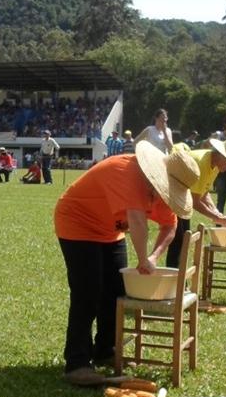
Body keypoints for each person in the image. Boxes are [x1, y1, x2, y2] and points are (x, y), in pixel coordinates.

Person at [55, 141, 200, 384]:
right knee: (88, 292)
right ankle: (77, 363)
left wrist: (153, 257)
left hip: (109, 231)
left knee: (116, 290)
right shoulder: (129, 172)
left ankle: (106, 349)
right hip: (77, 222)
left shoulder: (163, 193)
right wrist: (143, 260)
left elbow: (169, 226)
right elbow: (137, 221)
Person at [166, 133, 226, 267]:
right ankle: (176, 281)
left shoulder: (214, 164)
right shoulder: (202, 163)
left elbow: (204, 192)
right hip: (172, 194)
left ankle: (178, 281)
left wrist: (218, 214)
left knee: (182, 240)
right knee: (179, 241)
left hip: (181, 198)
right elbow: (195, 201)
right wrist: (218, 219)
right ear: (222, 154)